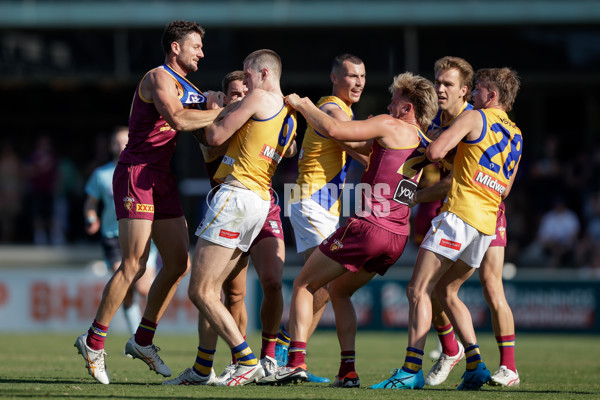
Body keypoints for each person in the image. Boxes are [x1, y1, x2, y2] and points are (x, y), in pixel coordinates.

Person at [260, 72, 438, 386]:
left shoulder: (390, 123)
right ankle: (348, 371)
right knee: (339, 291)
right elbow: (391, 180)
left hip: (369, 227)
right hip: (397, 236)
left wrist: (302, 104)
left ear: (408, 106)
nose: (389, 103)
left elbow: (332, 127)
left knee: (304, 285)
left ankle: (295, 362)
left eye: (395, 99)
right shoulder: (422, 143)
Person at [74, 20, 224, 385]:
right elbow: (177, 117)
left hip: (162, 177)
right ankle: (93, 342)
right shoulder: (158, 78)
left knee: (177, 263)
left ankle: (143, 339)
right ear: (175, 47)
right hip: (137, 172)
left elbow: (208, 134)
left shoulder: (191, 87)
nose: (202, 53)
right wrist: (222, 111)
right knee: (134, 264)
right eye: (196, 46)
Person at [370, 67, 523, 391]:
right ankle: (475, 365)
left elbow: (436, 152)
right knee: (446, 291)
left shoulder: (474, 118)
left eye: (478, 90)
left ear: (491, 95)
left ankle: (411, 368)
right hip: (485, 226)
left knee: (417, 290)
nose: (474, 97)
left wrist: (424, 157)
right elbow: (505, 189)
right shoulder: (517, 135)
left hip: (458, 215)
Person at [164, 49, 297, 387]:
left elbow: (214, 137)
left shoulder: (257, 99)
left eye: (249, 76)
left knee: (200, 291)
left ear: (264, 74)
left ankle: (247, 359)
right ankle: (204, 368)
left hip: (236, 197)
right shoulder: (290, 115)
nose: (246, 83)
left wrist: (213, 111)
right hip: (258, 201)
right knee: (217, 291)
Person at [276, 54, 368, 383]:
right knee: (322, 284)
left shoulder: (344, 111)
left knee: (323, 288)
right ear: (334, 78)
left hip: (321, 207)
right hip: (310, 202)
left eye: (362, 76)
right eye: (351, 76)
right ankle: (285, 354)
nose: (358, 82)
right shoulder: (331, 108)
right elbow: (357, 144)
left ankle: (290, 355)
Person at [83, 126, 158, 335]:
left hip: (142, 234)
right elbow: (90, 203)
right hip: (113, 236)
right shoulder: (101, 174)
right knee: (124, 285)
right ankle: (137, 337)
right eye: (116, 142)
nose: (120, 146)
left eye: (124, 141)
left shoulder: (144, 170)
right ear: (111, 146)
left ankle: (143, 331)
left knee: (143, 288)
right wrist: (91, 218)